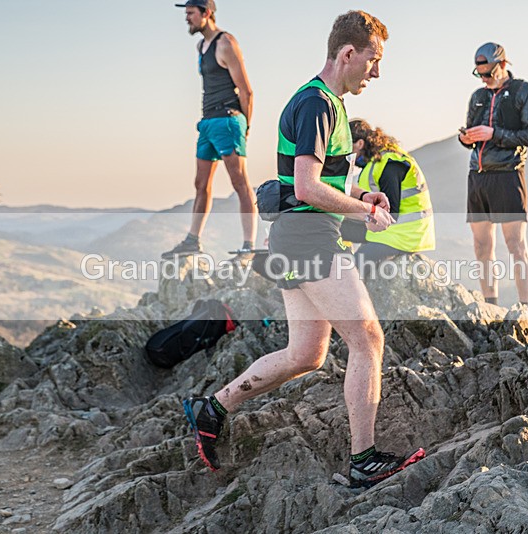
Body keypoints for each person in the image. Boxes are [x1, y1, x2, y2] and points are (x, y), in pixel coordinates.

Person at [183, 10, 425, 488]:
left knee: (306, 353)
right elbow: (309, 187)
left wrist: (359, 196)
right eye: (373, 60)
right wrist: (364, 214)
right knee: (368, 339)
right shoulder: (320, 104)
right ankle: (363, 460)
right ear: (348, 53)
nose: (376, 72)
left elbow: (314, 184)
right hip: (311, 239)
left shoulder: (319, 102)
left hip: (294, 237)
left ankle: (213, 408)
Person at [163, 0, 257, 259]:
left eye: (191, 14)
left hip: (228, 119)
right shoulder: (201, 46)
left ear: (207, 13)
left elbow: (246, 90)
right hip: (207, 122)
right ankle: (193, 240)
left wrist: (245, 126)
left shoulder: (226, 43)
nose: (187, 19)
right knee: (200, 184)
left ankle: (249, 245)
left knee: (239, 183)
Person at [458, 42, 528, 305]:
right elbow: (472, 137)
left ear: (503, 65)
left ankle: (525, 306)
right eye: (478, 74)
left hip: (508, 173)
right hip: (478, 175)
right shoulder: (477, 96)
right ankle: (491, 305)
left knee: (515, 245)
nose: (483, 79)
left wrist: (494, 134)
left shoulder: (524, 91)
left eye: (487, 73)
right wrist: (465, 138)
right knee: (481, 246)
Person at [341, 119, 435, 270]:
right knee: (334, 226)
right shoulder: (375, 164)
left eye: (346, 147)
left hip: (403, 234)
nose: (344, 153)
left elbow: (391, 213)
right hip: (392, 230)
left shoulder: (390, 164)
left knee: (355, 267)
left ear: (359, 143)